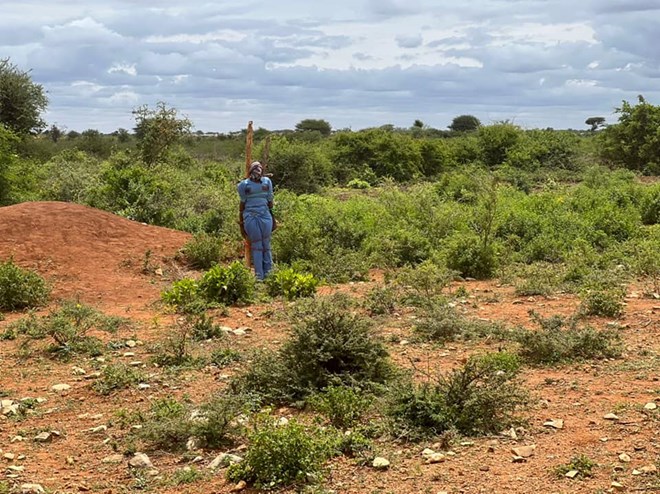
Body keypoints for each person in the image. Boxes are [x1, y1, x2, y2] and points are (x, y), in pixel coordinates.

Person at [238, 161, 277, 280]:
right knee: (266, 244)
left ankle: (259, 276)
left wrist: (241, 221)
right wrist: (273, 218)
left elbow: (242, 204)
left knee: (257, 246)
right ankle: (269, 275)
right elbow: (270, 202)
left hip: (251, 218)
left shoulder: (243, 185)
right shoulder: (267, 182)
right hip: (266, 217)